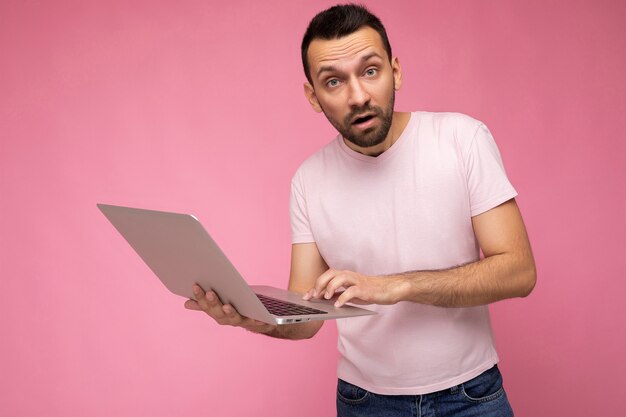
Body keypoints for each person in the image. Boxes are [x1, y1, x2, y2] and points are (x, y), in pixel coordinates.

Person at [184, 4, 536, 416]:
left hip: (471, 395)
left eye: (370, 71)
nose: (358, 96)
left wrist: (395, 286)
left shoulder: (463, 139)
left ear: (396, 71)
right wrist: (253, 317)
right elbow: (308, 317)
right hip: (365, 403)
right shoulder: (308, 180)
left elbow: (519, 271)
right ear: (313, 97)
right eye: (333, 81)